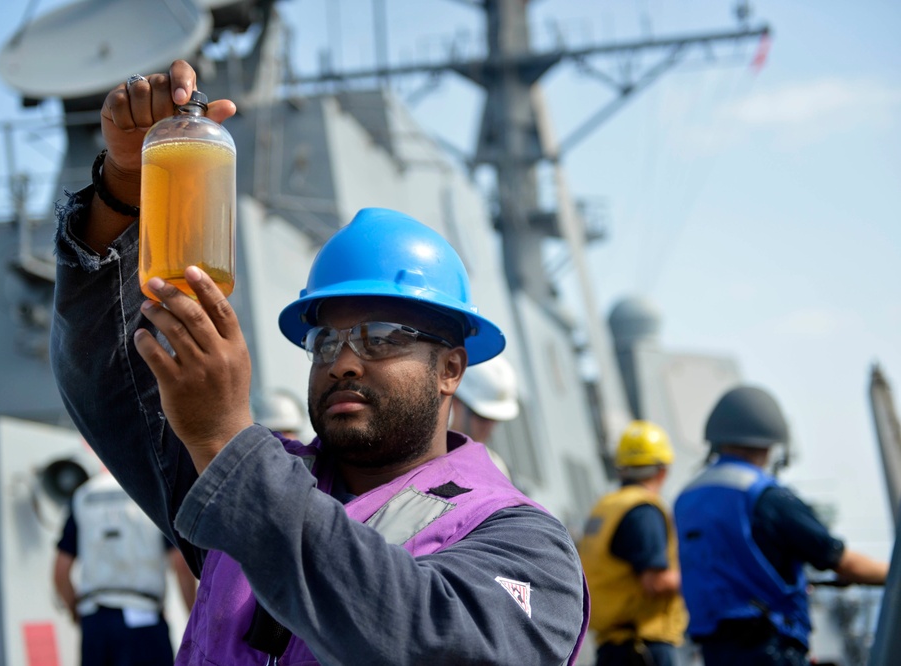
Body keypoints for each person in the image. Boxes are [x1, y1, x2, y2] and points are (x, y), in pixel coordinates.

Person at [49, 61, 588, 665]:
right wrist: (124, 185)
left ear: (451, 370)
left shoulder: (523, 543)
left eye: (380, 337)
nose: (344, 361)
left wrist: (228, 441)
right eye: (325, 342)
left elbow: (441, 644)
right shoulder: (248, 483)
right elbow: (113, 383)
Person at [674, 385, 890, 666]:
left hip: (714, 650)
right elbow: (841, 561)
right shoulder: (767, 497)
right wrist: (892, 574)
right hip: (768, 647)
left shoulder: (686, 497)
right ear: (769, 443)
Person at [53, 471, 197, 666]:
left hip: (95, 622)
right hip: (144, 621)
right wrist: (195, 618)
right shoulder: (153, 490)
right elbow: (180, 564)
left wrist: (75, 611)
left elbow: (60, 572)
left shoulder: (82, 495)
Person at [578, 421, 687, 666]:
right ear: (662, 471)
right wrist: (697, 575)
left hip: (613, 646)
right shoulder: (644, 512)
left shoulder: (606, 507)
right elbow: (654, 582)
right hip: (642, 648)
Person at [450, 355, 520, 479]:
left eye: (495, 420)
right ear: (456, 402)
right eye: (482, 417)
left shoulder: (497, 470)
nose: (490, 427)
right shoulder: (423, 459)